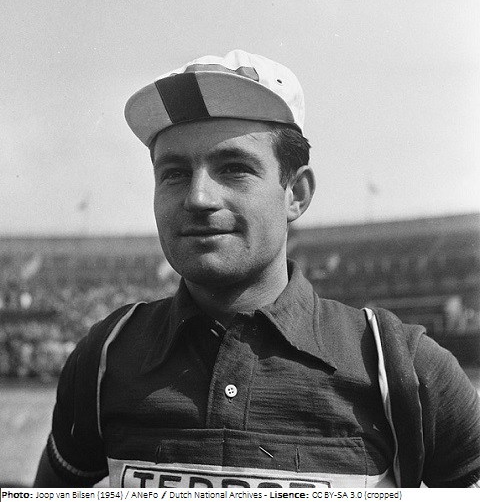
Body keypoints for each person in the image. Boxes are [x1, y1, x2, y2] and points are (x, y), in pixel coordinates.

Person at [34, 50, 480, 489]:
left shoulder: (401, 365)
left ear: (296, 194)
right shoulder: (105, 355)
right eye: (174, 173)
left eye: (234, 169)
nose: (199, 198)